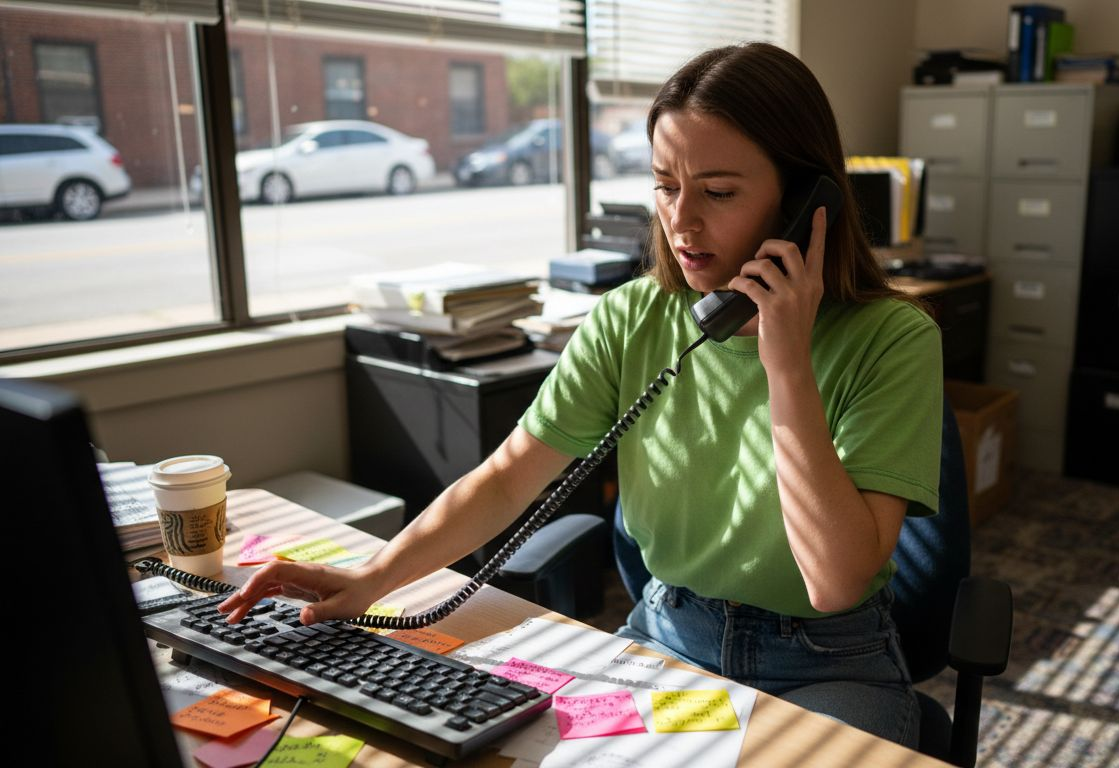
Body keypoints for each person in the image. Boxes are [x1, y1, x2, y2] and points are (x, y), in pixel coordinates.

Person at [219, 42, 942, 747]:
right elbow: (509, 479)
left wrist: (786, 365)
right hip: (670, 636)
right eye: (666, 185)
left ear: (807, 205)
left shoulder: (893, 340)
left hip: (826, 663)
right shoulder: (632, 318)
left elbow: (835, 582)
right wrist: (372, 577)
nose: (682, 220)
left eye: (719, 192)